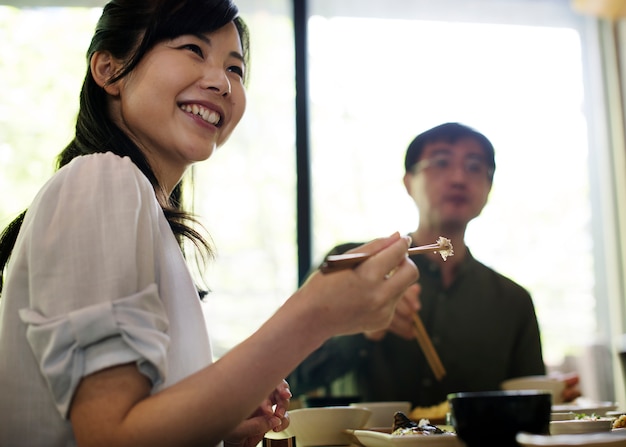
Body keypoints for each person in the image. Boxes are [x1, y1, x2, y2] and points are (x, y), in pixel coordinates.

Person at [0, 1, 419, 445]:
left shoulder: (138, 206)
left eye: (235, 69)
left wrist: (220, 426)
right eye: (192, 49)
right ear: (109, 70)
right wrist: (315, 315)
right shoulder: (103, 179)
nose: (222, 82)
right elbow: (111, 436)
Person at [287, 122, 580, 409]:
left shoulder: (513, 301)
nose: (458, 178)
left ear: (488, 187)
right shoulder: (352, 265)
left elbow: (526, 408)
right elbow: (288, 378)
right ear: (408, 182)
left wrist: (552, 397)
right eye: (440, 162)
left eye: (475, 167)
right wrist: (364, 328)